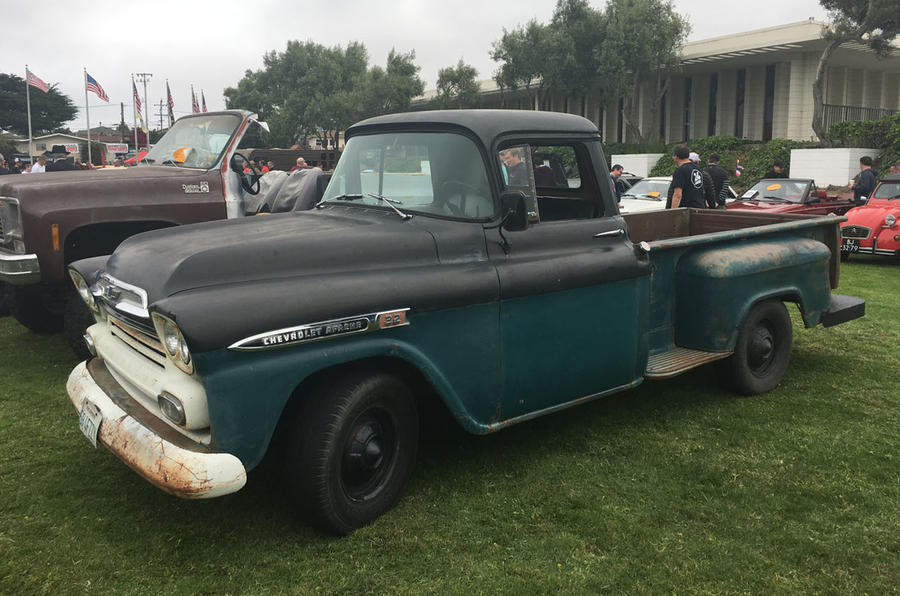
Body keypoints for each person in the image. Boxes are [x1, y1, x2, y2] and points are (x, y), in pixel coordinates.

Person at [667, 144, 705, 209]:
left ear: (676, 156)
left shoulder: (680, 170)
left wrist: (672, 213)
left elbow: (677, 195)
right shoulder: (698, 169)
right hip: (699, 209)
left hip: (686, 210)